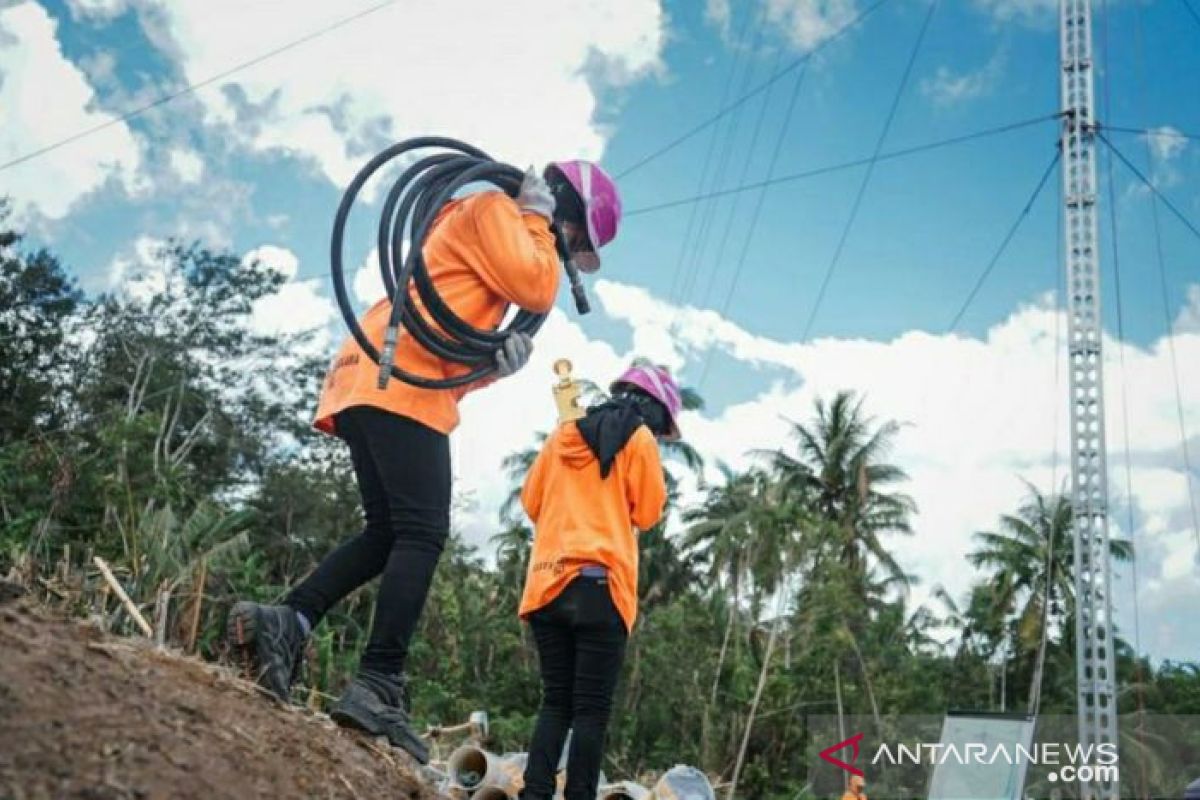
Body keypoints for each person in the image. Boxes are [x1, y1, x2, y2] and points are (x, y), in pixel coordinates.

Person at [226, 160, 623, 764]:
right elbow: (538, 286)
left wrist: (491, 367)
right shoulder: (496, 212)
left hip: (379, 378)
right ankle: (378, 682)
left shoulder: (485, 228)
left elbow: (452, 341)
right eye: (574, 238)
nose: (568, 253)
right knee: (422, 532)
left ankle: (290, 622)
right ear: (564, 207)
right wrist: (539, 220)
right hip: (396, 378)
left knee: (389, 532)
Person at [517, 363, 682, 800]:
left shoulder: (562, 434)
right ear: (655, 411)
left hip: (548, 584)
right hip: (601, 588)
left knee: (555, 702)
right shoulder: (640, 440)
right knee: (590, 711)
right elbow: (648, 513)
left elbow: (531, 501)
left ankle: (533, 794)